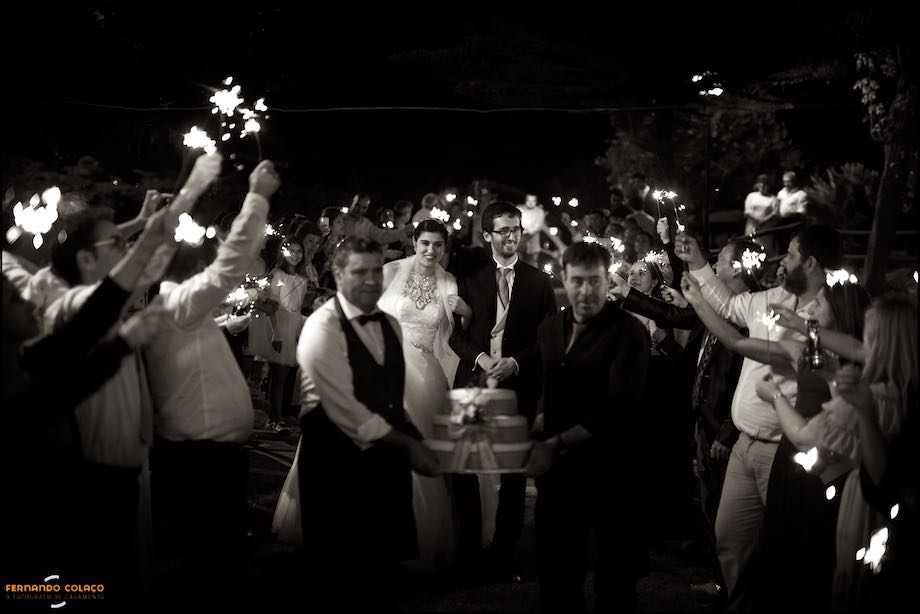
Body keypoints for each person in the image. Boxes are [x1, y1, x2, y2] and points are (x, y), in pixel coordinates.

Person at [674, 223, 844, 610]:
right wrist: (699, 265)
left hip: (783, 451)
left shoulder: (823, 318)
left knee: (785, 546)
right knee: (729, 538)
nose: (783, 260)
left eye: (792, 254)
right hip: (743, 445)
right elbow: (732, 308)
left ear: (812, 263)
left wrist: (697, 302)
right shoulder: (778, 297)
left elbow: (738, 342)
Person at [143, 160, 279, 607]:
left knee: (214, 559)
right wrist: (257, 194)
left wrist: (237, 318)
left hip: (205, 452)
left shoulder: (177, 311)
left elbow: (208, 335)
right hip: (200, 457)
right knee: (209, 568)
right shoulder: (177, 303)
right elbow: (230, 264)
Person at [296, 236, 442, 610]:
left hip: (384, 469)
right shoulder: (321, 328)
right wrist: (407, 444)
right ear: (339, 273)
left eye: (377, 271)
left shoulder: (391, 325)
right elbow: (345, 409)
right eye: (360, 272)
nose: (371, 280)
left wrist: (414, 436)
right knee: (339, 576)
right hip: (336, 466)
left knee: (383, 575)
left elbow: (391, 398)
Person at [765, 293, 916, 610]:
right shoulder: (904, 392)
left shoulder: (878, 395)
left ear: (882, 343)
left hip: (868, 508)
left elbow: (879, 479)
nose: (863, 345)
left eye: (870, 337)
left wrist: (774, 394)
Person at [526, 242, 650, 611]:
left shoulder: (628, 332)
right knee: (558, 579)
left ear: (607, 280)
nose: (585, 291)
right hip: (560, 477)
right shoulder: (550, 328)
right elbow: (553, 388)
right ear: (563, 279)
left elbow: (618, 408)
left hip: (613, 471)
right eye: (577, 281)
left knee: (615, 585)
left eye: (594, 281)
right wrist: (539, 419)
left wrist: (553, 441)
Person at [448, 201, 557, 581]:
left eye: (516, 230)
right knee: (463, 467)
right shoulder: (471, 277)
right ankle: (469, 546)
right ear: (488, 235)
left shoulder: (540, 283)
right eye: (504, 230)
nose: (512, 237)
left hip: (518, 386)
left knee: (512, 474)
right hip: (475, 383)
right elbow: (455, 335)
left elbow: (547, 338)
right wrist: (479, 358)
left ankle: (503, 551)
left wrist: (517, 362)